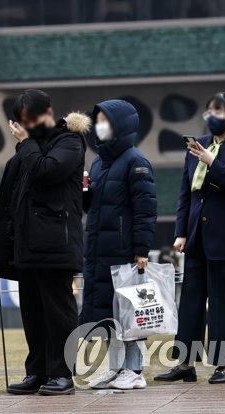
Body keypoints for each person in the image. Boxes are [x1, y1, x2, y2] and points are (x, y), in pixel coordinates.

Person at [155, 93, 225, 385]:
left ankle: (224, 365)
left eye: (220, 111)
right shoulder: (198, 143)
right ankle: (185, 364)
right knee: (191, 298)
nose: (213, 115)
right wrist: (180, 231)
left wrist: (213, 162)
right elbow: (187, 192)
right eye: (210, 110)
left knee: (224, 300)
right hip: (197, 235)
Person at [0, 89, 89, 397]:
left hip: (55, 244)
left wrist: (25, 143)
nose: (23, 128)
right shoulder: (29, 149)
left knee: (59, 311)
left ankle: (62, 374)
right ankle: (38, 370)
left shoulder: (69, 142)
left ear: (46, 114)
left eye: (28, 121)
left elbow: (48, 171)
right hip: (28, 244)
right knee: (33, 312)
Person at [81, 99, 156, 392]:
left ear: (121, 125)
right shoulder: (99, 161)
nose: (99, 126)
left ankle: (135, 370)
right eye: (97, 120)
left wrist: (141, 249)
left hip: (125, 252)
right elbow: (95, 208)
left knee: (130, 314)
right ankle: (115, 369)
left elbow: (145, 210)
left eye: (105, 120)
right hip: (100, 250)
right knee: (109, 315)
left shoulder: (136, 162)